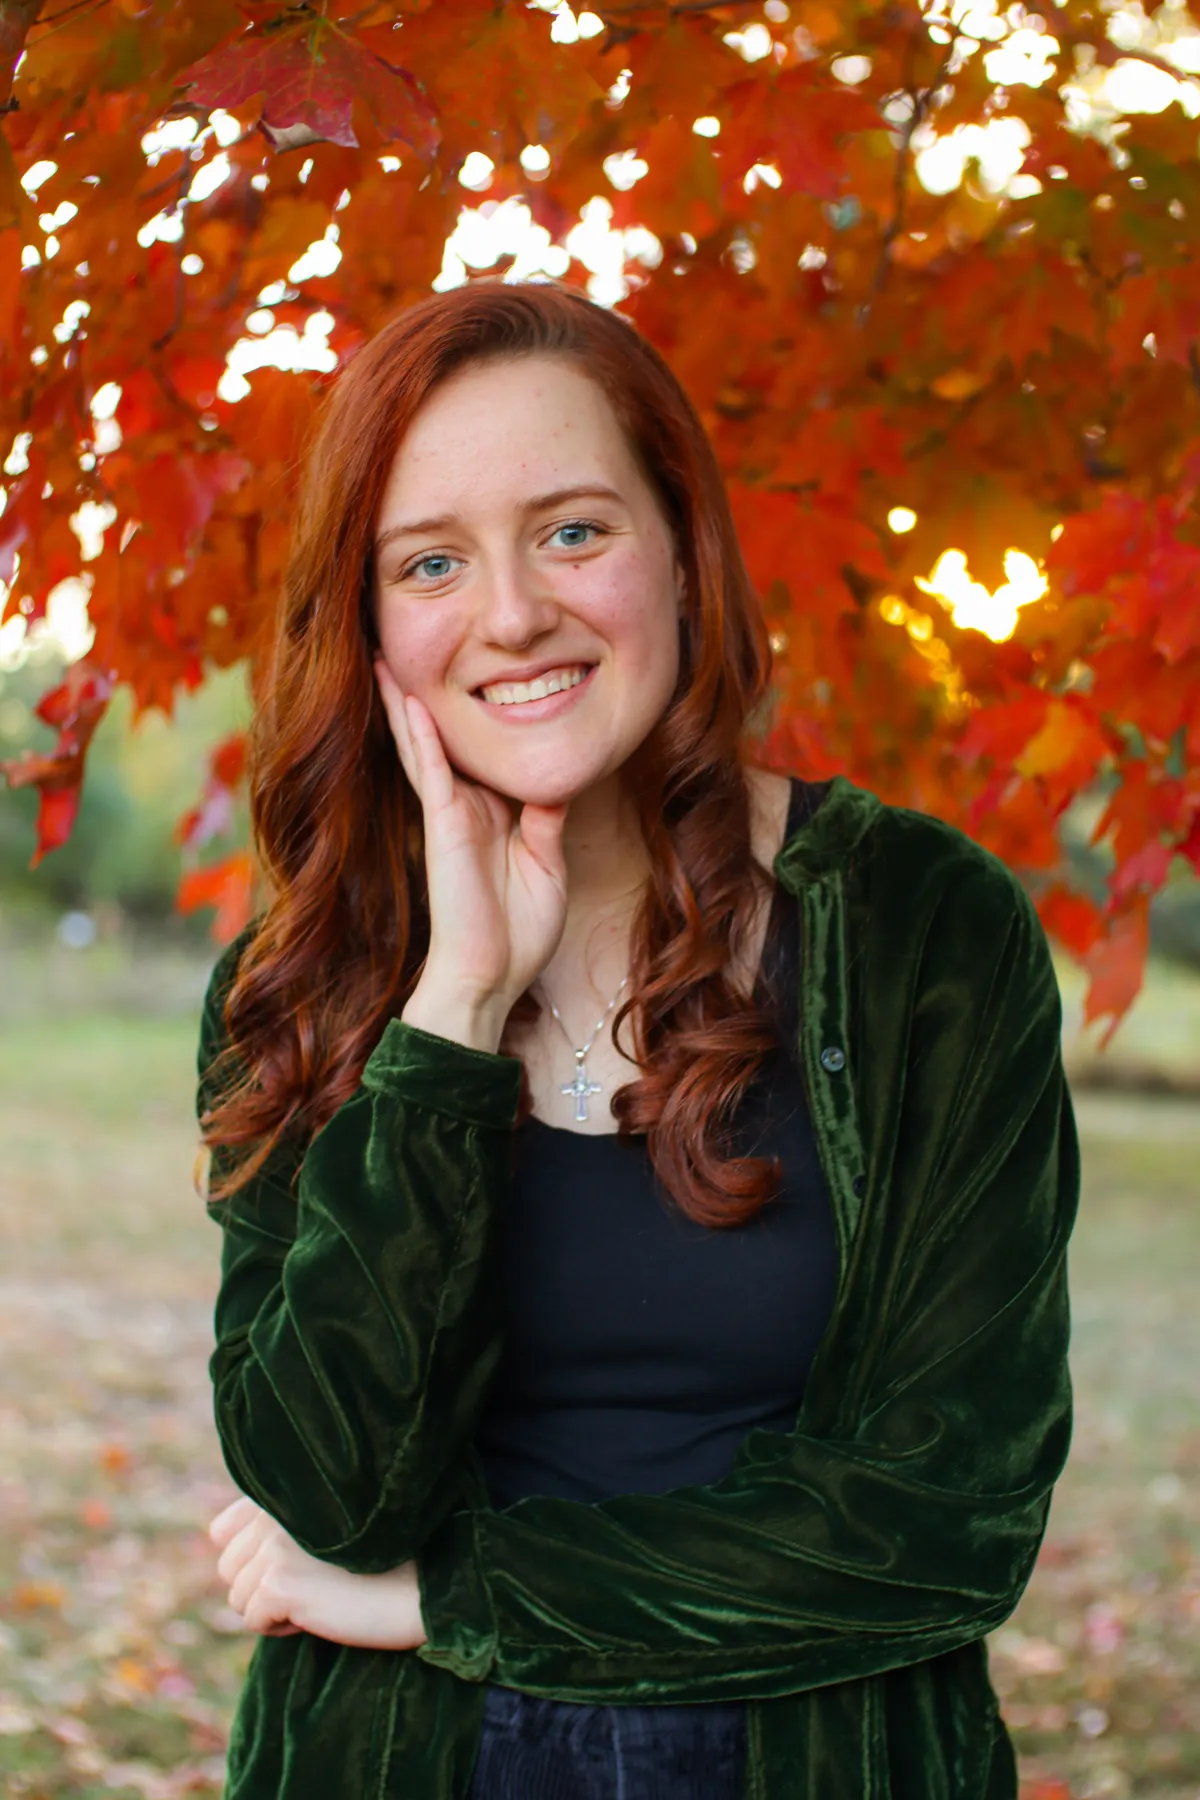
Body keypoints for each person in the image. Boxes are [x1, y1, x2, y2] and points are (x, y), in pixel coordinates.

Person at [197, 276, 1080, 1800]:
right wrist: (453, 1015)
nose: (516, 611)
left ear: (682, 547)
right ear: (370, 620)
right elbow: (326, 1495)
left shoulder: (923, 929)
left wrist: (446, 1602)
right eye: (431, 561)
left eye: (574, 529)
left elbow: (944, 1522)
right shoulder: (305, 981)